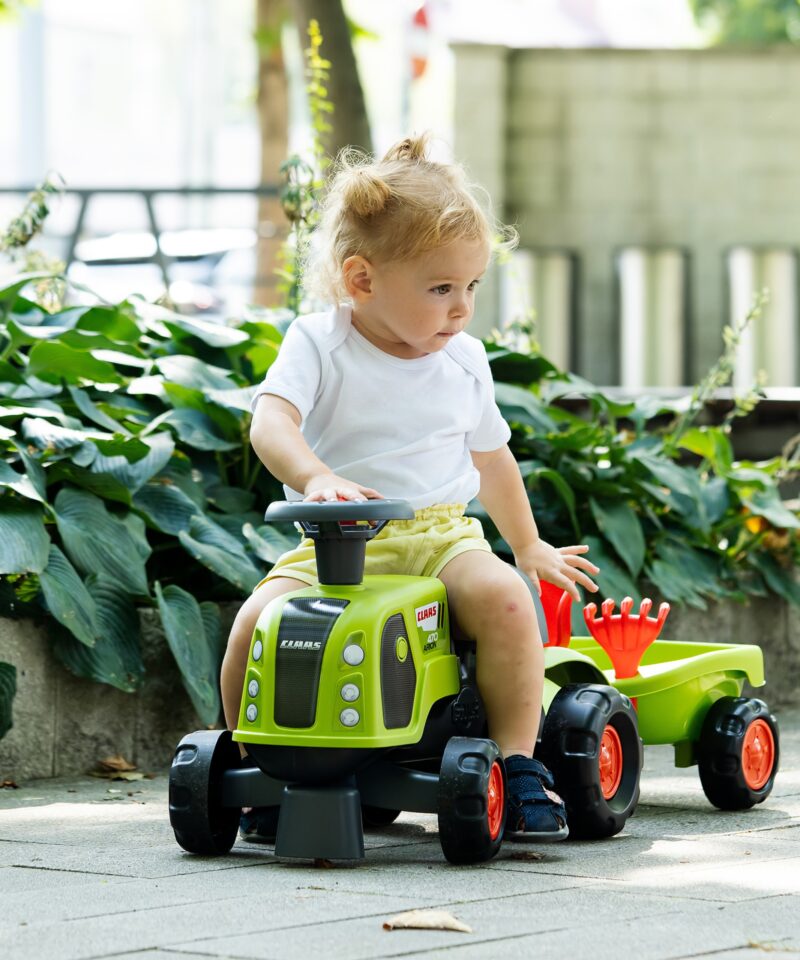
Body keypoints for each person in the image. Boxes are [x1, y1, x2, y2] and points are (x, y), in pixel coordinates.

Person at [221, 133, 599, 843]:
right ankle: (257, 764)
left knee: (508, 605)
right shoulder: (319, 341)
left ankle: (518, 765)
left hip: (440, 538)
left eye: (471, 288)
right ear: (361, 280)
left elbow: (492, 459)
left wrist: (526, 544)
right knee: (255, 625)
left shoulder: (464, 360)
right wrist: (315, 476)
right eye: (440, 289)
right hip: (336, 545)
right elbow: (271, 422)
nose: (461, 310)